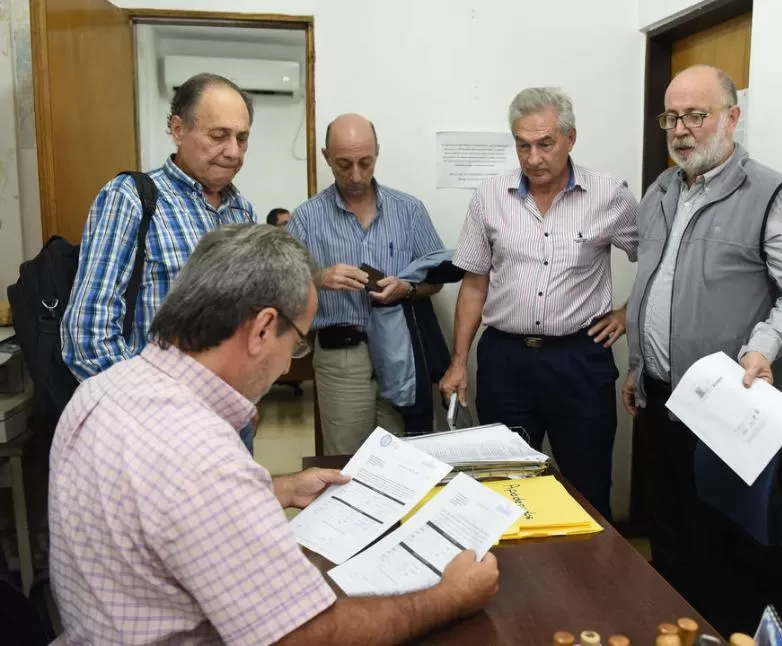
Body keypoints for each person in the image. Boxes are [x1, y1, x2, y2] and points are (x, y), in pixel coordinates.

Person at [48, 224, 500, 645]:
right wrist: (448, 597)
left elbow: (154, 503)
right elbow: (305, 636)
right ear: (263, 328)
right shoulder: (203, 456)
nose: (289, 362)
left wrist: (273, 489)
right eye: (298, 340)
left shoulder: (101, 391)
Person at [622, 65, 782, 577]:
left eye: (696, 115)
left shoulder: (771, 194)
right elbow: (654, 284)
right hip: (655, 394)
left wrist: (764, 346)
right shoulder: (661, 190)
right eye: (671, 117)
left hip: (720, 404)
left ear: (732, 118)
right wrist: (636, 366)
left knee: (713, 543)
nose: (681, 129)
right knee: (663, 527)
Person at [439, 87, 638, 520]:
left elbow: (658, 260)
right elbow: (474, 283)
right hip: (505, 362)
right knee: (504, 488)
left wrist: (626, 314)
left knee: (587, 489)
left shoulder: (609, 195)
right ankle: (513, 585)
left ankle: (589, 586)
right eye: (522, 144)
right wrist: (458, 361)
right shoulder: (489, 196)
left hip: (579, 362)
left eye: (545, 144)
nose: (532, 158)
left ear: (570, 138)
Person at [60, 72, 260, 452]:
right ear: (177, 129)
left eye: (242, 137)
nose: (233, 151)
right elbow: (87, 335)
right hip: (157, 433)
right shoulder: (132, 198)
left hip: (229, 426)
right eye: (218, 136)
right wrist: (154, 417)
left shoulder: (241, 209)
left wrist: (245, 398)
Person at [288, 114, 447, 454]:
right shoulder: (306, 217)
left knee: (403, 458)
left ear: (377, 152)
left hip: (401, 352)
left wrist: (407, 289)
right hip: (340, 356)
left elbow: (436, 279)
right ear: (326, 156)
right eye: (344, 164)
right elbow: (282, 288)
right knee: (346, 462)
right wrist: (318, 279)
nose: (356, 175)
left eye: (365, 162)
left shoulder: (409, 211)